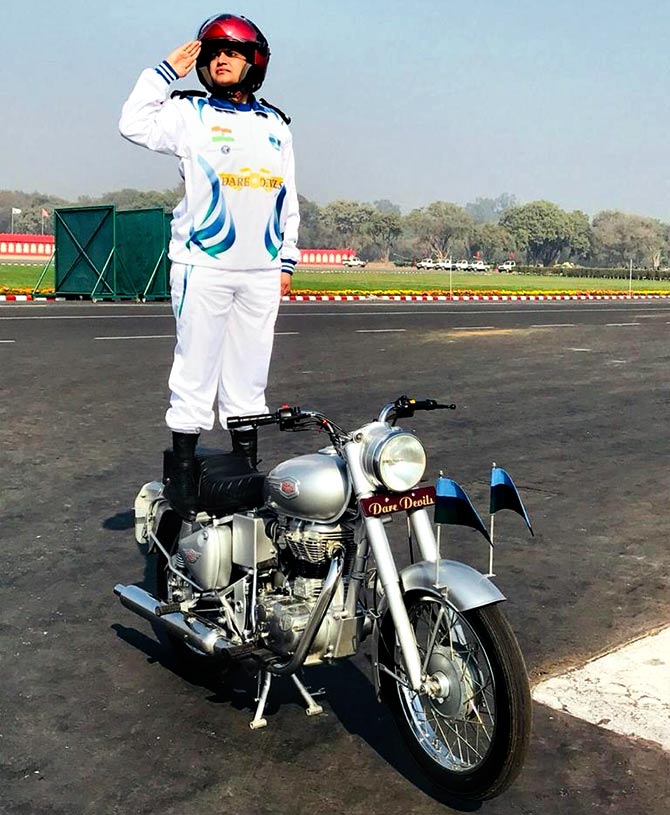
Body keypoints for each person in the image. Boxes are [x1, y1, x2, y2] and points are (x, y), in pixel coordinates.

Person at [119, 14, 300, 520]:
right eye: (213, 52)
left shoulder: (275, 125)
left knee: (249, 373)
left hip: (261, 270)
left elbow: (288, 198)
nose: (220, 59)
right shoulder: (188, 115)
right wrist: (162, 73)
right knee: (196, 367)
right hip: (204, 264)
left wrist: (286, 259)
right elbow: (132, 122)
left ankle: (246, 469)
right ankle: (181, 477)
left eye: (232, 52)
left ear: (254, 62)